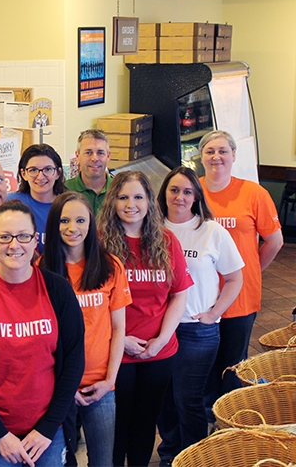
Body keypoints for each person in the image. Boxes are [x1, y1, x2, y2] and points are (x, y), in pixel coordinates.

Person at [0, 201, 85, 467]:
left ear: (35, 239)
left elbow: (73, 362)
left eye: (23, 236)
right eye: (4, 237)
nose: (14, 245)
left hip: (49, 434)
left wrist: (47, 428)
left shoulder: (58, 290)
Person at [96, 171, 191, 467]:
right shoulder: (99, 243)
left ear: (150, 201)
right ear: (112, 201)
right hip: (114, 352)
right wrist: (120, 339)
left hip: (159, 352)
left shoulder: (167, 241)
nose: (130, 204)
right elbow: (91, 302)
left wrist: (161, 340)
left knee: (145, 421)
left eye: (138, 197)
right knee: (117, 423)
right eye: (123, 197)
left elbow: (178, 294)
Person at [156, 166, 243, 461]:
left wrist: (214, 313)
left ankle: (193, 455)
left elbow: (235, 278)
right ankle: (169, 452)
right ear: (164, 192)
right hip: (158, 330)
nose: (179, 197)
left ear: (196, 197)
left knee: (188, 399)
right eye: (174, 190)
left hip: (197, 331)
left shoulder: (210, 231)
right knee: (164, 398)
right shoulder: (151, 228)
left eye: (187, 192)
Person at [38, 192, 129, 466]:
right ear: (53, 224)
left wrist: (109, 381)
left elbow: (119, 329)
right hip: (59, 386)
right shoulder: (41, 270)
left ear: (91, 224)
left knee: (103, 461)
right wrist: (64, 387)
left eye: (80, 220)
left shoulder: (111, 266)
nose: (72, 228)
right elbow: (43, 338)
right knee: (63, 461)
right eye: (64, 220)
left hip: (102, 384)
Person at [196, 130, 283, 398]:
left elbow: (274, 241)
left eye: (223, 151)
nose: (216, 157)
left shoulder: (254, 194)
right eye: (210, 151)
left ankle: (230, 421)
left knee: (232, 364)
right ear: (201, 157)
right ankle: (206, 418)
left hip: (240, 297)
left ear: (234, 155)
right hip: (199, 296)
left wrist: (250, 270)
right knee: (202, 362)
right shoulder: (191, 191)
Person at [10, 144, 66, 236]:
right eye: (33, 170)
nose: (40, 177)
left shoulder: (70, 205)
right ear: (23, 174)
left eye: (48, 169)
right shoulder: (10, 203)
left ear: (58, 173)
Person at [66, 130, 114, 212]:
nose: (94, 158)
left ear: (108, 156)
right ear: (77, 156)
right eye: (88, 153)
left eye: (100, 153)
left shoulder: (119, 189)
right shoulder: (65, 190)